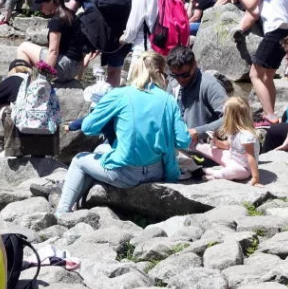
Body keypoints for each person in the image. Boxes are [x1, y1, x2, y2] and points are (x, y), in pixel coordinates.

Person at [55, 52, 189, 216]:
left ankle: (62, 212)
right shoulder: (168, 100)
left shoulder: (120, 94)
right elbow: (184, 141)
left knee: (79, 160)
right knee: (99, 151)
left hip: (125, 174)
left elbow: (88, 127)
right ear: (160, 74)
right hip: (157, 170)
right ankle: (80, 203)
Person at [230, 0, 288, 127]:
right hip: (285, 31)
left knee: (255, 75)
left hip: (275, 31)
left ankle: (270, 116)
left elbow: (250, 5)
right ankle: (271, 114)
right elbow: (256, 10)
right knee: (267, 76)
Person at [16, 0, 87, 83]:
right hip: (75, 68)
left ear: (50, 1)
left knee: (23, 47)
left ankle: (20, 82)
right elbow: (82, 48)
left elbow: (53, 51)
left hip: (64, 68)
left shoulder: (56, 21)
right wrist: (80, 74)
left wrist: (44, 79)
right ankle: (28, 79)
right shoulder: (70, 14)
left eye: (41, 6)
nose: (40, 9)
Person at [165, 46, 228, 147]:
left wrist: (199, 132)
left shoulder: (209, 85)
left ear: (194, 64)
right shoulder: (173, 82)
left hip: (203, 150)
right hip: (177, 148)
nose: (180, 80)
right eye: (175, 75)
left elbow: (230, 118)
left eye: (185, 75)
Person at [192, 97, 261, 185]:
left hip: (243, 168)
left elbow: (250, 157)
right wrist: (216, 142)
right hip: (232, 158)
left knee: (233, 171)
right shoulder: (234, 131)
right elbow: (228, 146)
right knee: (210, 150)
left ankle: (211, 172)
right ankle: (196, 147)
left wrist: (255, 177)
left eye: (225, 115)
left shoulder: (246, 135)